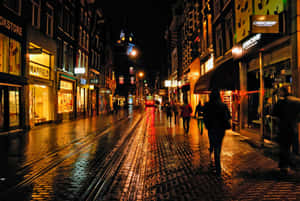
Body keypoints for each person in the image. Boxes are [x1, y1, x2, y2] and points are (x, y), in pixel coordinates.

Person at [272, 86, 300, 175]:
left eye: (280, 91)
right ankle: (294, 165)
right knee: (294, 147)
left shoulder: (280, 102)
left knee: (284, 147)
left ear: (283, 92)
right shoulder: (297, 101)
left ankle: (284, 166)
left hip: (283, 128)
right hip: (294, 128)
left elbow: (274, 114)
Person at [203, 90, 231, 175]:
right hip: (221, 129)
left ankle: (216, 163)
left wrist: (208, 125)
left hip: (211, 128)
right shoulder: (223, 105)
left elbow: (205, 117)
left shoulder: (207, 105)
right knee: (218, 146)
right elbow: (228, 116)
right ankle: (218, 166)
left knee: (214, 144)